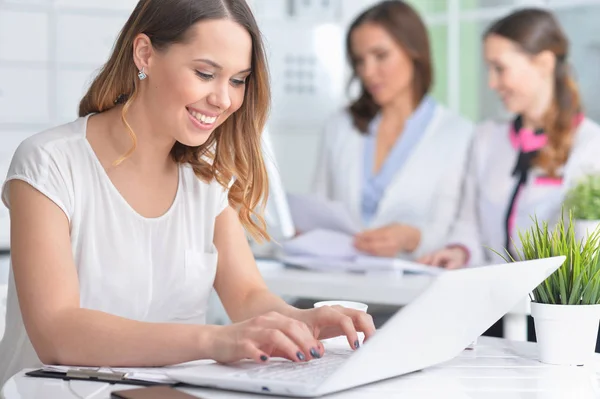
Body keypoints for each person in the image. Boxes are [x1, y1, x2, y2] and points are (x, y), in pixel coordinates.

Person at [0, 0, 375, 385]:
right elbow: (57, 333)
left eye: (237, 80)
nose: (223, 99)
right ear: (144, 54)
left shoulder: (207, 178)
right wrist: (215, 340)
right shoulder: (50, 163)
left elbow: (246, 296)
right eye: (205, 73)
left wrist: (299, 321)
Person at [419, 8, 600, 270]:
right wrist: (460, 251)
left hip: (549, 307)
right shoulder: (485, 138)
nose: (492, 83)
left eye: (500, 68)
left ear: (544, 64)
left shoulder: (590, 146)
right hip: (491, 302)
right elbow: (469, 223)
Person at [312, 0, 474, 260]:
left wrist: (411, 238)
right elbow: (319, 209)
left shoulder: (459, 134)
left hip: (414, 288)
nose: (368, 72)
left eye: (380, 55)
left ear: (414, 52)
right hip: (337, 282)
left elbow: (459, 230)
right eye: (359, 60)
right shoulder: (339, 126)